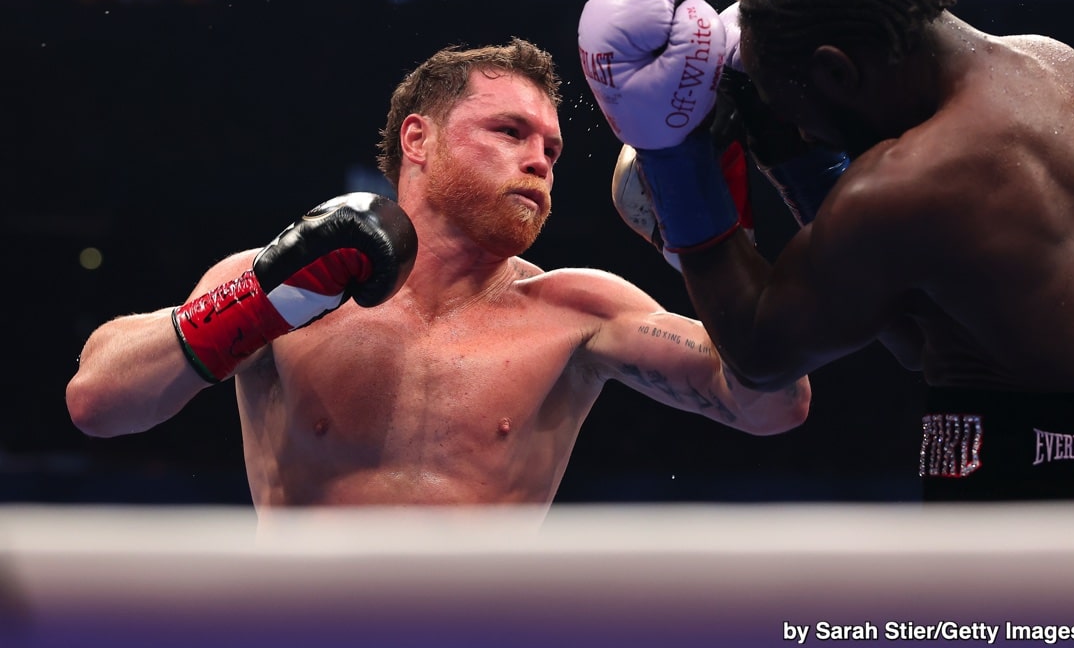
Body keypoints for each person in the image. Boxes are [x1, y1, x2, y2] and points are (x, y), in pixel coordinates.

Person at [66, 38, 810, 516]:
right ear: (418, 140)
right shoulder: (282, 288)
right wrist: (262, 300)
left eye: (552, 149)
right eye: (510, 132)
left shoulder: (578, 311)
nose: (539, 161)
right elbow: (97, 401)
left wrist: (707, 246)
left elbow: (774, 406)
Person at [577, 0, 1074, 501]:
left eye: (795, 111)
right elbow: (917, 336)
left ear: (837, 70)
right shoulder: (1064, 70)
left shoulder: (914, 179)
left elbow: (760, 353)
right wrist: (792, 147)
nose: (800, 131)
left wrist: (672, 154)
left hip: (1020, 520)